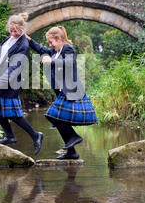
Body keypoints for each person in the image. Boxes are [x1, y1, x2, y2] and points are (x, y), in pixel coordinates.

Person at [0, 13, 43, 155]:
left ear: (22, 29)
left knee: (14, 115)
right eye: (11, 30)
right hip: (0, 80)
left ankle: (36, 135)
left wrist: (2, 81)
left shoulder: (23, 44)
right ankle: (10, 136)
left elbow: (15, 67)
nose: (13, 33)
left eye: (16, 31)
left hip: (10, 82)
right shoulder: (9, 40)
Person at [26, 26, 97, 160]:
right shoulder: (54, 51)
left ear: (58, 39)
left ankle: (74, 137)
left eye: (51, 42)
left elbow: (70, 63)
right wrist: (28, 39)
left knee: (52, 115)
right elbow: (41, 49)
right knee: (57, 118)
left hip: (71, 90)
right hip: (63, 92)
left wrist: (51, 61)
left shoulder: (68, 49)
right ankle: (72, 152)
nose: (50, 45)